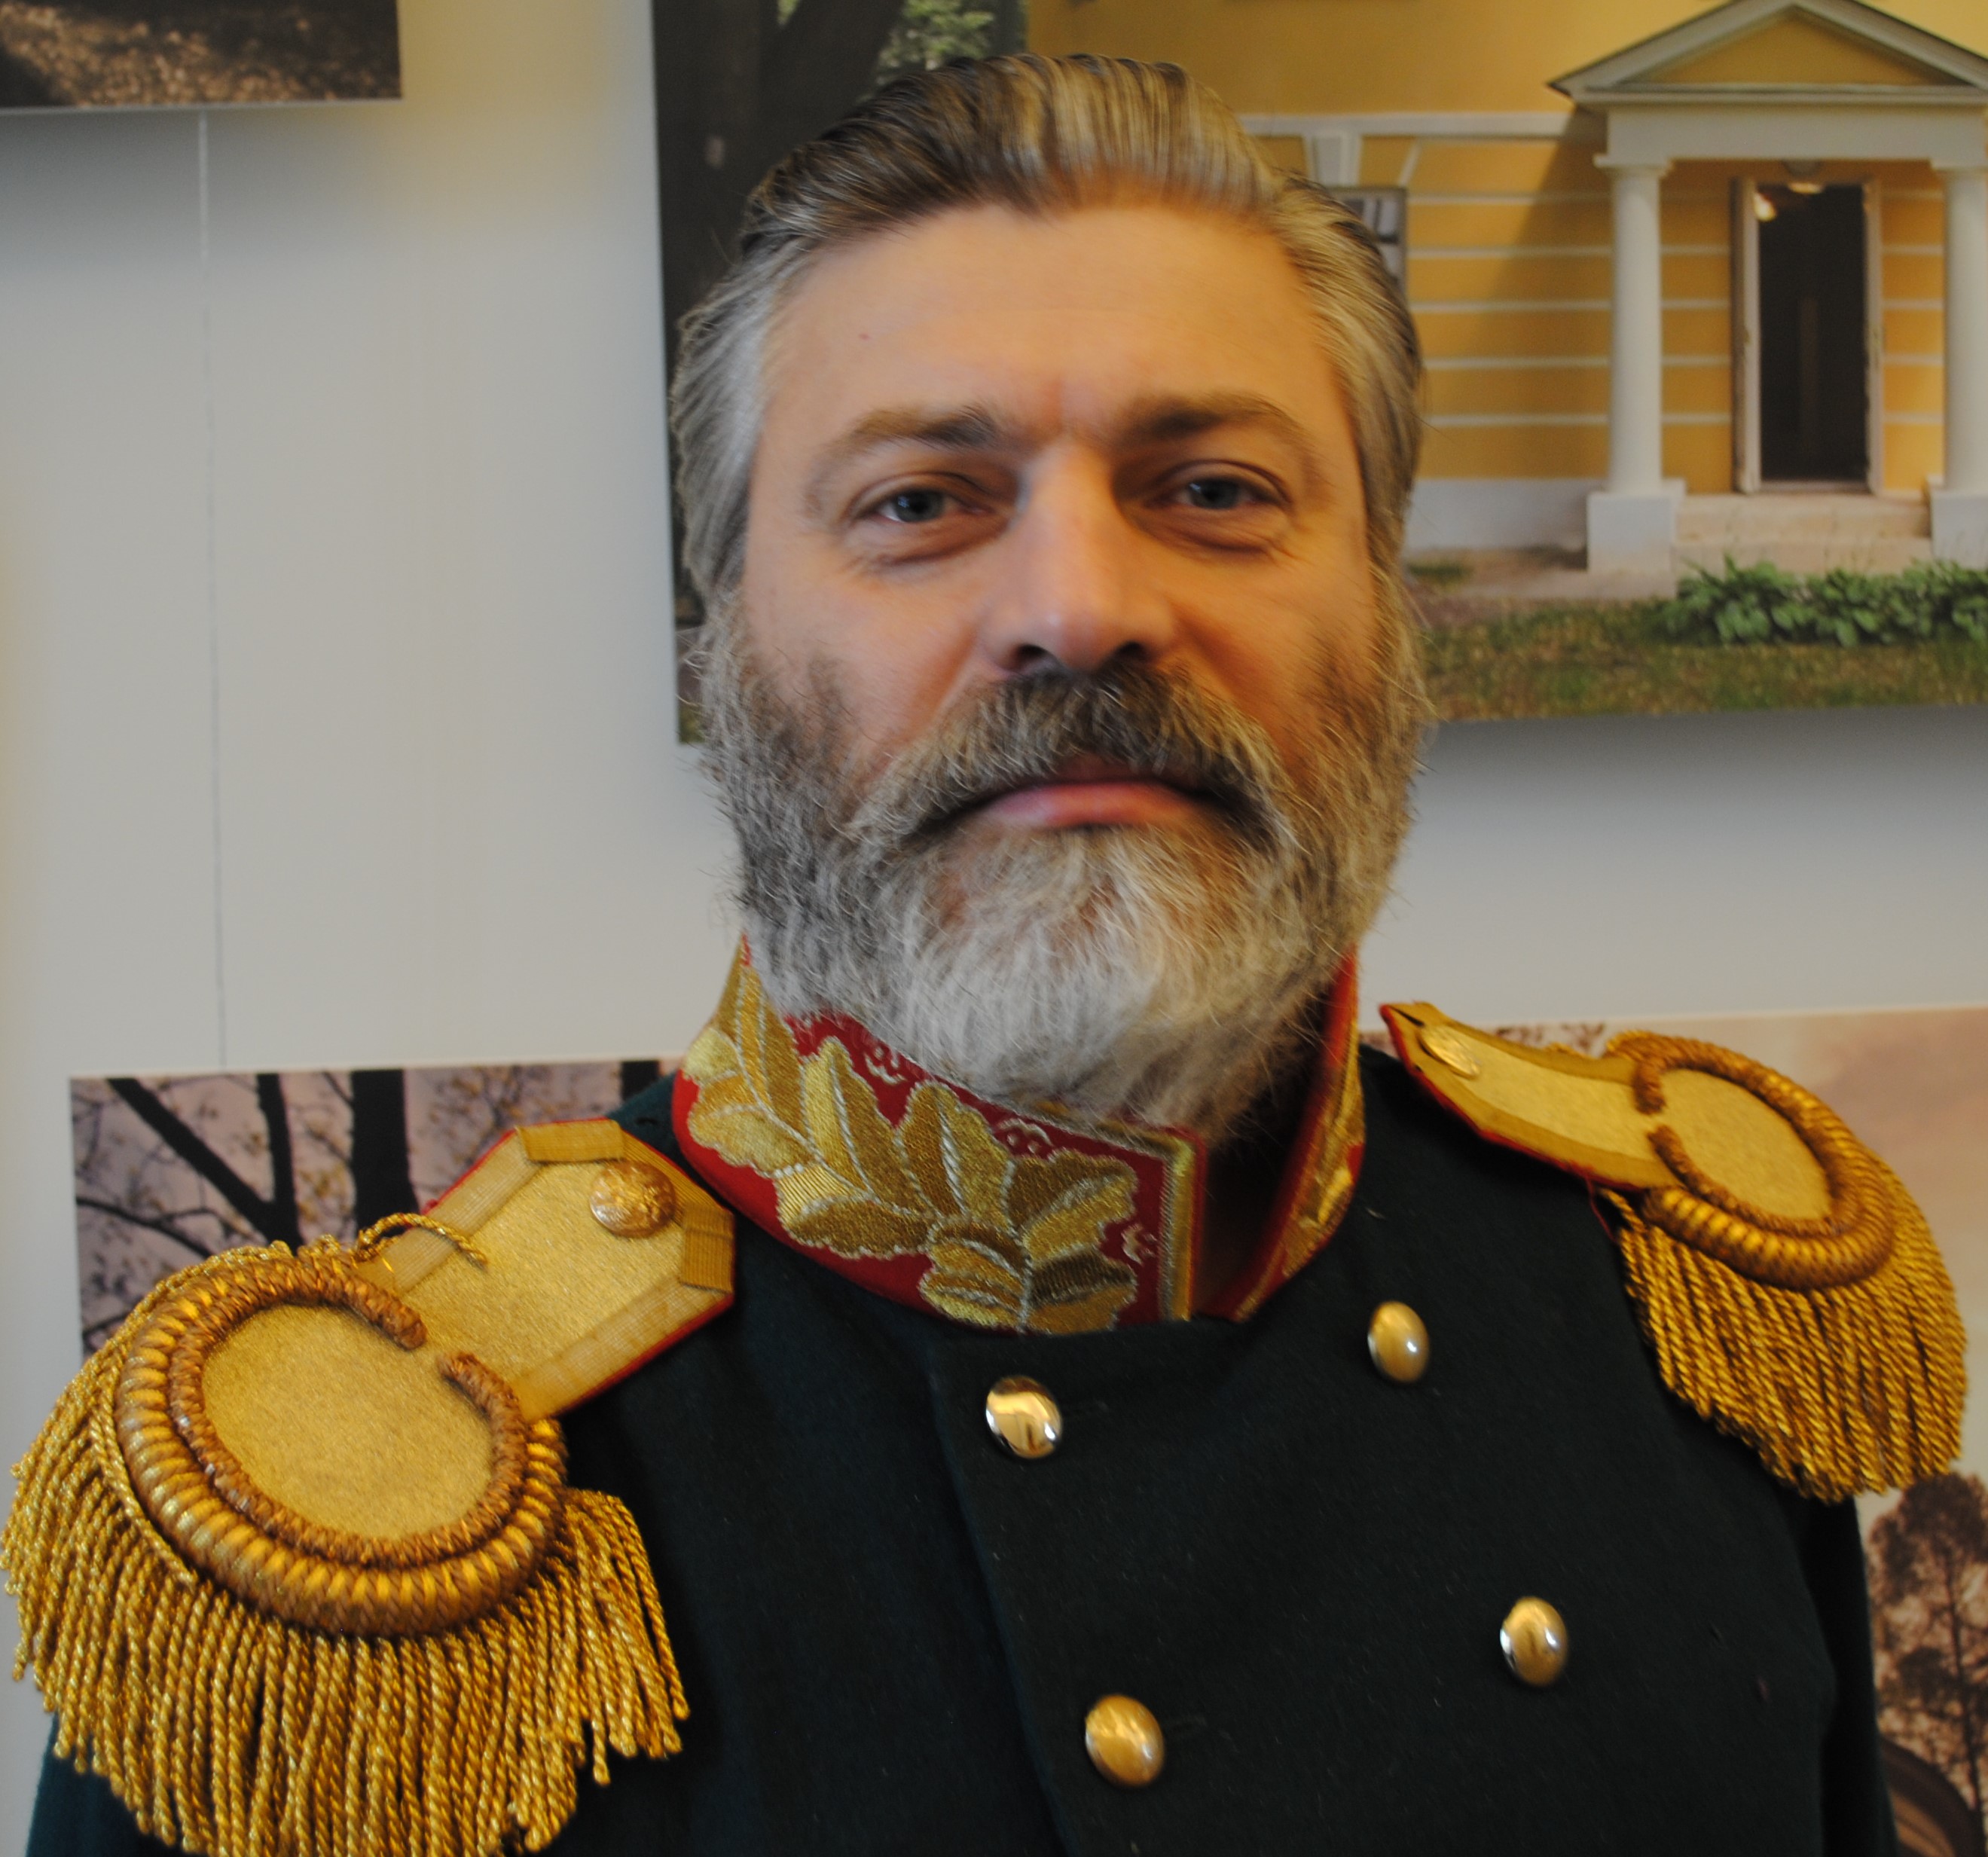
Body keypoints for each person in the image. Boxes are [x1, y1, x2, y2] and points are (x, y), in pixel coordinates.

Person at [13, 53, 1963, 1857]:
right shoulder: (340, 1559)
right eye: (920, 504)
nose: (1081, 608)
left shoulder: (1675, 1308)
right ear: (726, 646)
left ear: (1386, 608)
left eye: (1215, 491)